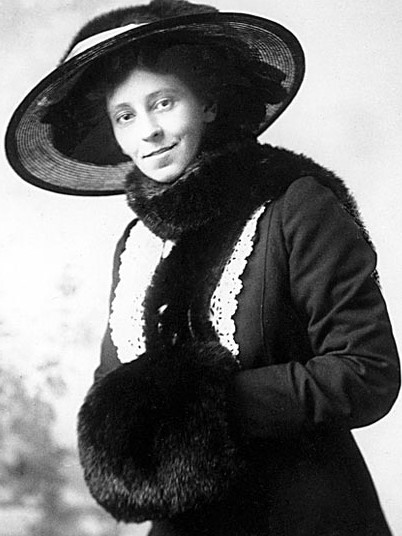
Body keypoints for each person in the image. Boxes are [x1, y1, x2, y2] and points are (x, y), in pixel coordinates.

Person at [5, 1, 400, 535]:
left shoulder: (295, 207)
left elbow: (367, 371)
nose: (148, 131)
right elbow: (114, 382)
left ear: (208, 103)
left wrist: (208, 405)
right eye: (125, 116)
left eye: (163, 102)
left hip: (303, 512)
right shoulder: (138, 245)